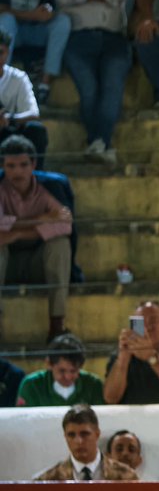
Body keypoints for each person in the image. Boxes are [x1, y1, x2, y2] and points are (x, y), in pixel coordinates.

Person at [50, 0, 134, 166]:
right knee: (88, 90)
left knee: (112, 89)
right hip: (77, 40)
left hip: (114, 39)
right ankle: (102, 144)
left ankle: (98, 143)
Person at [0, 134, 72, 343]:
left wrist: (17, 231)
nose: (17, 172)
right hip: (6, 265)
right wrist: (40, 220)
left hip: (38, 264)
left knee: (60, 245)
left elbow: (65, 224)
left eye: (23, 165)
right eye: (11, 166)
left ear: (34, 164)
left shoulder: (47, 189)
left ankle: (57, 325)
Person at [0, 0, 71, 112]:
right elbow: (2, 9)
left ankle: (44, 85)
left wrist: (49, 13)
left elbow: (55, 6)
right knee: (6, 20)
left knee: (63, 21)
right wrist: (31, 15)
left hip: (36, 31)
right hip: (11, 31)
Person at [104, 298, 159, 404]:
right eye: (141, 322)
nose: (148, 327)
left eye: (153, 321)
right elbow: (110, 398)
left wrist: (152, 357)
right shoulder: (119, 356)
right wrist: (123, 360)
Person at [34, 403, 139, 481]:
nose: (78, 441)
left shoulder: (126, 477)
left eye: (84, 434)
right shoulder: (47, 480)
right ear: (65, 437)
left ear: (97, 434)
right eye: (71, 435)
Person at [16, 332, 104, 407]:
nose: (68, 377)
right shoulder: (31, 386)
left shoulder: (93, 385)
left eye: (73, 371)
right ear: (49, 364)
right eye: (62, 371)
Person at [0, 33, 49, 167]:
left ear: (7, 52)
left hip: (8, 131)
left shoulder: (18, 77)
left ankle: (36, 177)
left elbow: (33, 114)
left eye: (0, 52)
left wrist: (9, 119)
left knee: (36, 130)